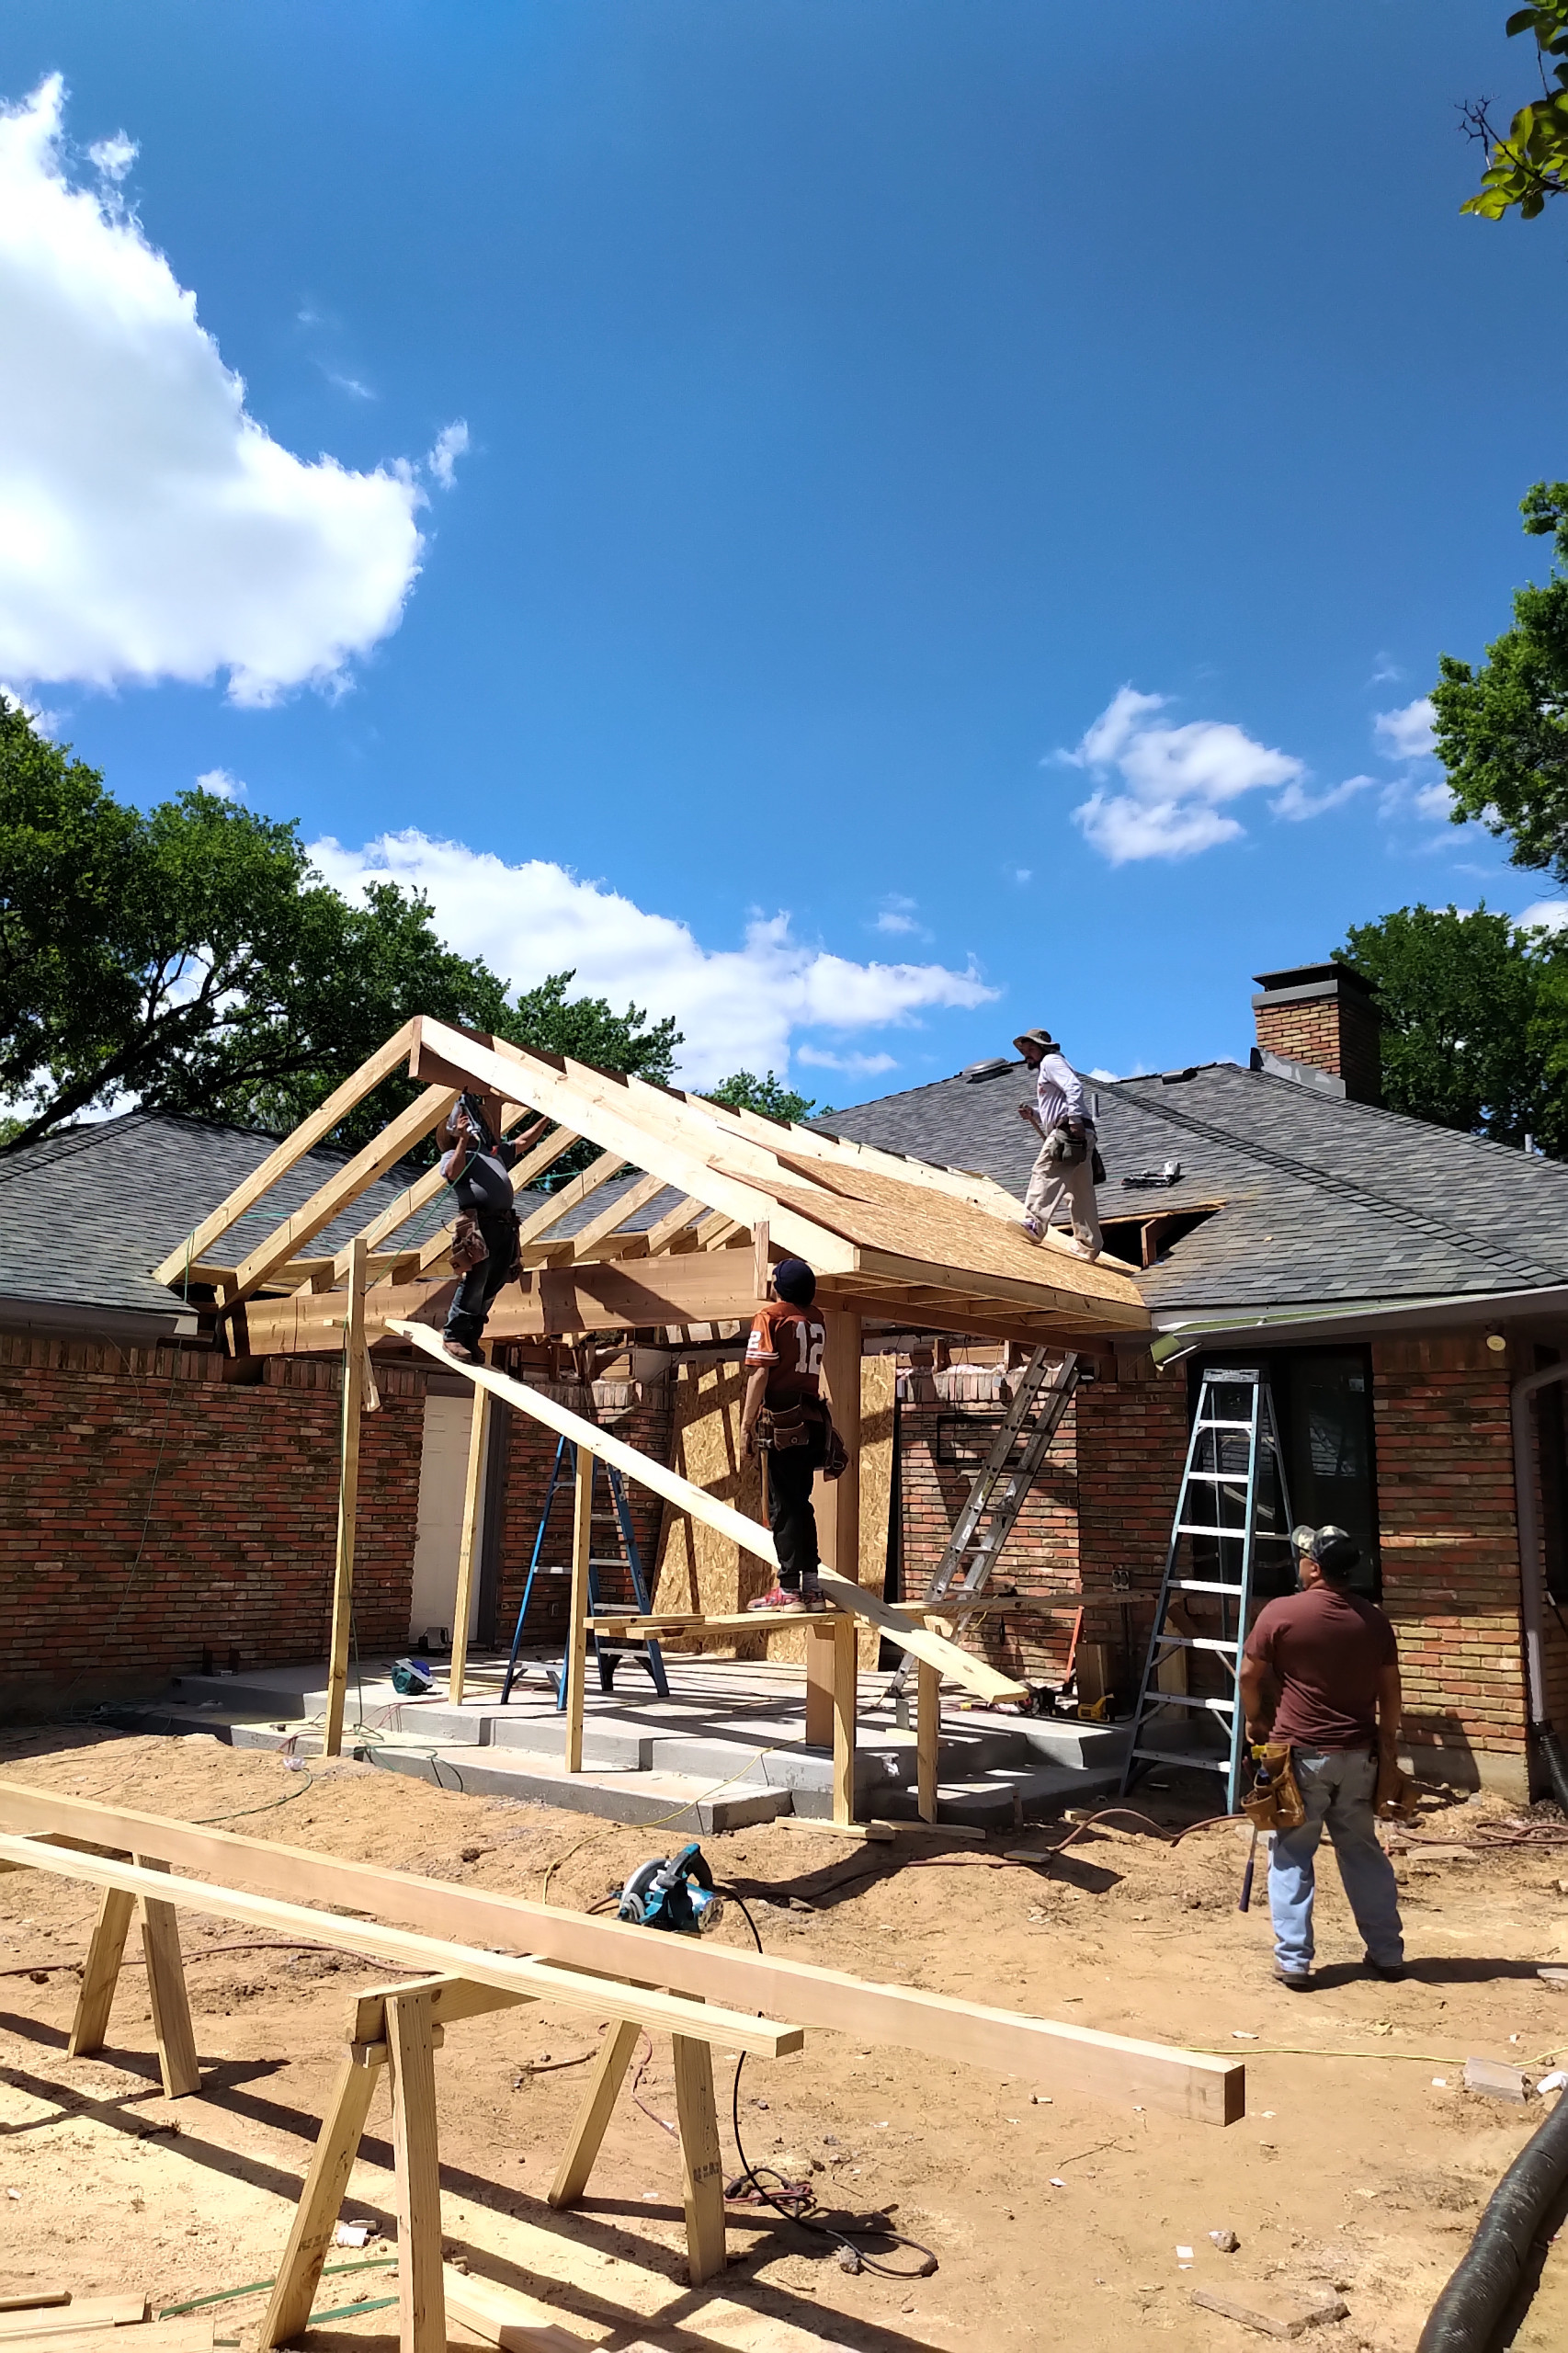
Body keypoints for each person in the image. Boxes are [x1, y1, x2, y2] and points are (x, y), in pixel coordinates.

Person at [1239, 1524, 1406, 1992]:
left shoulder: (1282, 1613)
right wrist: (1387, 1747)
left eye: (1301, 1558)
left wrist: (1256, 1722)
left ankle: (1294, 1961)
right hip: (1359, 1756)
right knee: (1363, 1853)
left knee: (1292, 1855)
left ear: (1313, 1567)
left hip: (1301, 1756)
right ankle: (1388, 1953)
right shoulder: (1373, 1619)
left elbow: (1248, 1678)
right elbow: (1390, 1692)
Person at [740, 1256, 833, 1614]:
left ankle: (789, 1589)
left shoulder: (770, 1317)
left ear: (780, 1286)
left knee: (783, 1506)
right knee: (800, 1502)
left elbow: (760, 1374)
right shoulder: (816, 1318)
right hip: (810, 1417)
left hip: (783, 1418)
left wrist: (746, 1426)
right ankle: (811, 1586)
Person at [439, 1099, 523, 1364]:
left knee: (495, 1280)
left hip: (503, 1225)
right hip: (478, 1224)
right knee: (477, 1277)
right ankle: (454, 1335)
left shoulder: (492, 1154)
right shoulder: (453, 1155)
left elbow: (522, 1143)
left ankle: (472, 1337)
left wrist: (548, 1117)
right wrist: (462, 1140)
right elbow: (453, 1172)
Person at [1014, 1027, 1103, 1262]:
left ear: (1043, 1048)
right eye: (1025, 1050)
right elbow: (1057, 1107)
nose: (1027, 1054)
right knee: (1079, 1191)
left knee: (1044, 1172)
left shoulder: (1051, 1062)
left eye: (1031, 1048)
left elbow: (1074, 1087)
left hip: (1069, 1131)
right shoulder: (1050, 1065)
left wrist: (1073, 1120)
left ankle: (1034, 1224)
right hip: (1079, 1131)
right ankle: (1089, 1245)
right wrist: (1035, 1113)